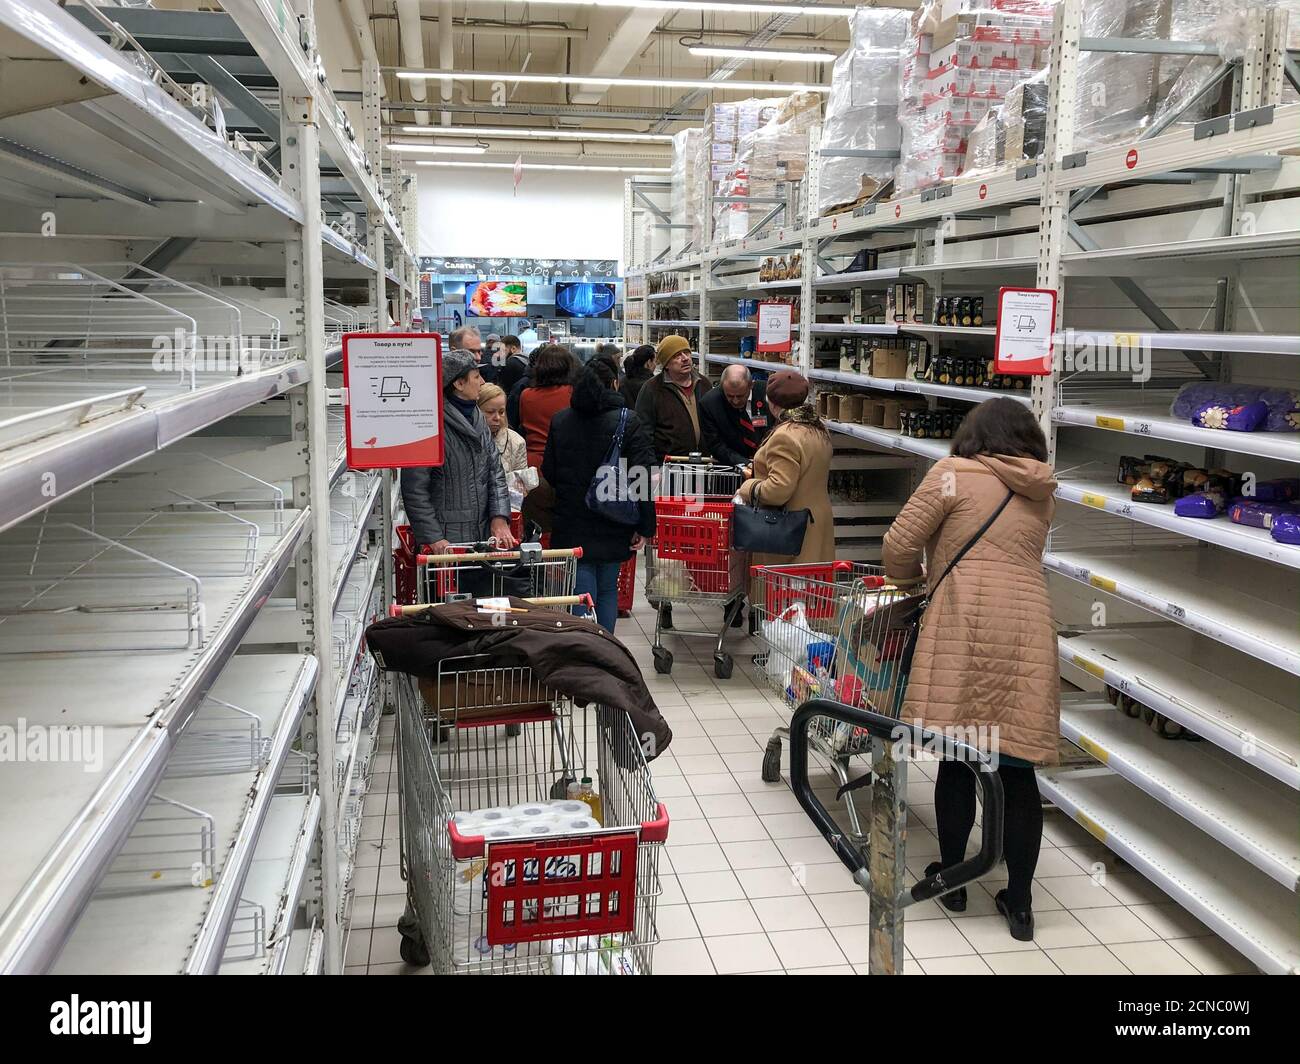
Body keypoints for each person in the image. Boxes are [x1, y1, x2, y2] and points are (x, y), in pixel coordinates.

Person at [881, 397, 1058, 943]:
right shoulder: (1043, 487)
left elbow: (898, 545)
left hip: (964, 622)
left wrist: (912, 577)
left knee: (959, 755)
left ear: (973, 434)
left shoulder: (952, 473)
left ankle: (953, 879)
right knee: (1018, 767)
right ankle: (1021, 903)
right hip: (1028, 628)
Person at [542, 357, 655, 633]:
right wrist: (644, 524)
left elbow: (550, 471)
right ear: (614, 384)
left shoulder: (560, 421)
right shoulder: (628, 422)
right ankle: (606, 651)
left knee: (581, 592)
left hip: (572, 519)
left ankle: (585, 653)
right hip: (614, 519)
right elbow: (640, 477)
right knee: (607, 590)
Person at [399, 348, 516, 557]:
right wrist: (432, 536)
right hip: (447, 543)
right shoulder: (428, 425)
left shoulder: (477, 417)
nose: (482, 382)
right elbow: (414, 490)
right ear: (459, 384)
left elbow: (495, 472)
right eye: (476, 377)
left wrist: (499, 517)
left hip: (482, 538)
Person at [736, 370, 835, 568]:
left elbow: (778, 491)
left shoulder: (785, 437)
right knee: (812, 594)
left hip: (789, 534)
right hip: (816, 524)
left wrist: (748, 488)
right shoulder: (817, 429)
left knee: (785, 596)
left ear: (771, 403)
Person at [634, 335, 712, 462]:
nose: (685, 358)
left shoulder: (704, 384)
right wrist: (652, 467)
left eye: (686, 352)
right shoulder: (652, 389)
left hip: (704, 462)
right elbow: (643, 433)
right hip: (669, 465)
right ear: (666, 364)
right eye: (677, 355)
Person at [700, 364, 770, 475]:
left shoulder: (767, 393)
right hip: (728, 471)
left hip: (767, 469)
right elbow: (715, 444)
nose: (736, 401)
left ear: (751, 385)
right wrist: (746, 463)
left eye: (741, 396)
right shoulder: (709, 403)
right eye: (730, 396)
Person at [518, 344, 576, 468]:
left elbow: (522, 425)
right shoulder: (573, 393)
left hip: (533, 464)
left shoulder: (526, 395)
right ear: (568, 368)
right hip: (564, 462)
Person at [477, 382, 527, 477]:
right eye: (490, 412)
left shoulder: (517, 442)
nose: (497, 418)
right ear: (476, 410)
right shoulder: (465, 439)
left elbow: (521, 482)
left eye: (501, 412)